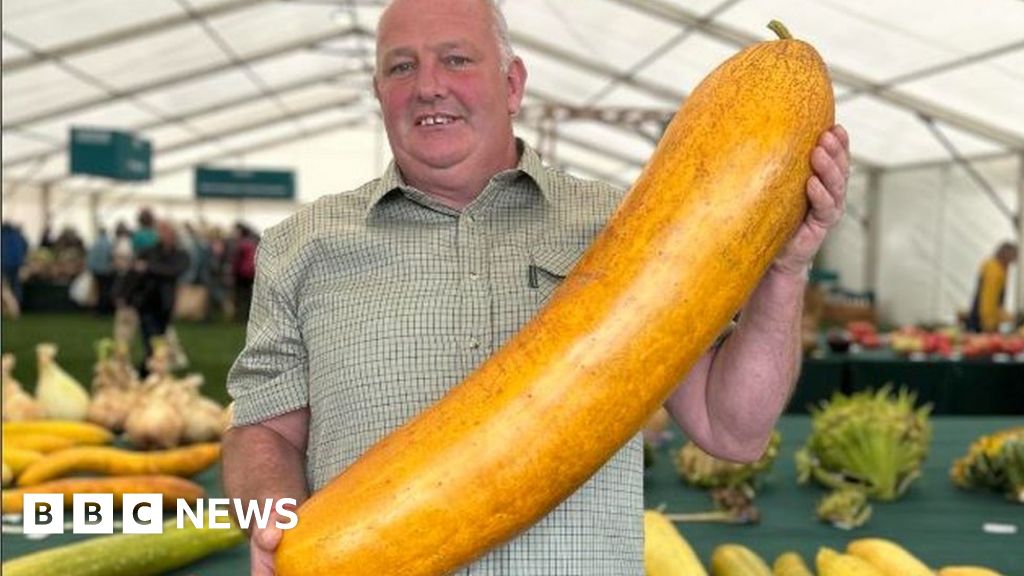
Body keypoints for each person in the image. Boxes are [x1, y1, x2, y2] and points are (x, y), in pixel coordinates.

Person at [222, 0, 851, 574]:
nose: (429, 86)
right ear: (378, 91)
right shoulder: (299, 246)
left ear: (513, 83)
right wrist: (274, 521)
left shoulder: (632, 231)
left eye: (457, 59)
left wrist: (784, 269)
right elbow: (264, 432)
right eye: (400, 67)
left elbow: (730, 430)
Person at [127, 220, 189, 371]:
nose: (164, 235)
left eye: (167, 231)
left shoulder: (179, 254)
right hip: (146, 301)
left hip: (165, 303)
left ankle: (149, 369)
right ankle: (148, 370)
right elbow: (135, 271)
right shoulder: (149, 251)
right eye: (161, 231)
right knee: (150, 338)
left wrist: (149, 268)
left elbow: (174, 271)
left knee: (159, 337)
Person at [966, 242, 1018, 333]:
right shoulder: (994, 270)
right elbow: (988, 299)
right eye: (1012, 257)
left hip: (984, 318)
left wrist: (1004, 316)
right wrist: (989, 325)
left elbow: (997, 300)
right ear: (1004, 254)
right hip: (982, 323)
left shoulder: (999, 268)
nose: (1014, 261)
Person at [86, 226, 115, 315]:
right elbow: (111, 257)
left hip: (96, 270)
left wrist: (90, 268)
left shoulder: (95, 243)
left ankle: (99, 309)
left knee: (98, 291)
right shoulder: (109, 243)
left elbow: (90, 258)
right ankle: (105, 309)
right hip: (106, 270)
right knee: (106, 290)